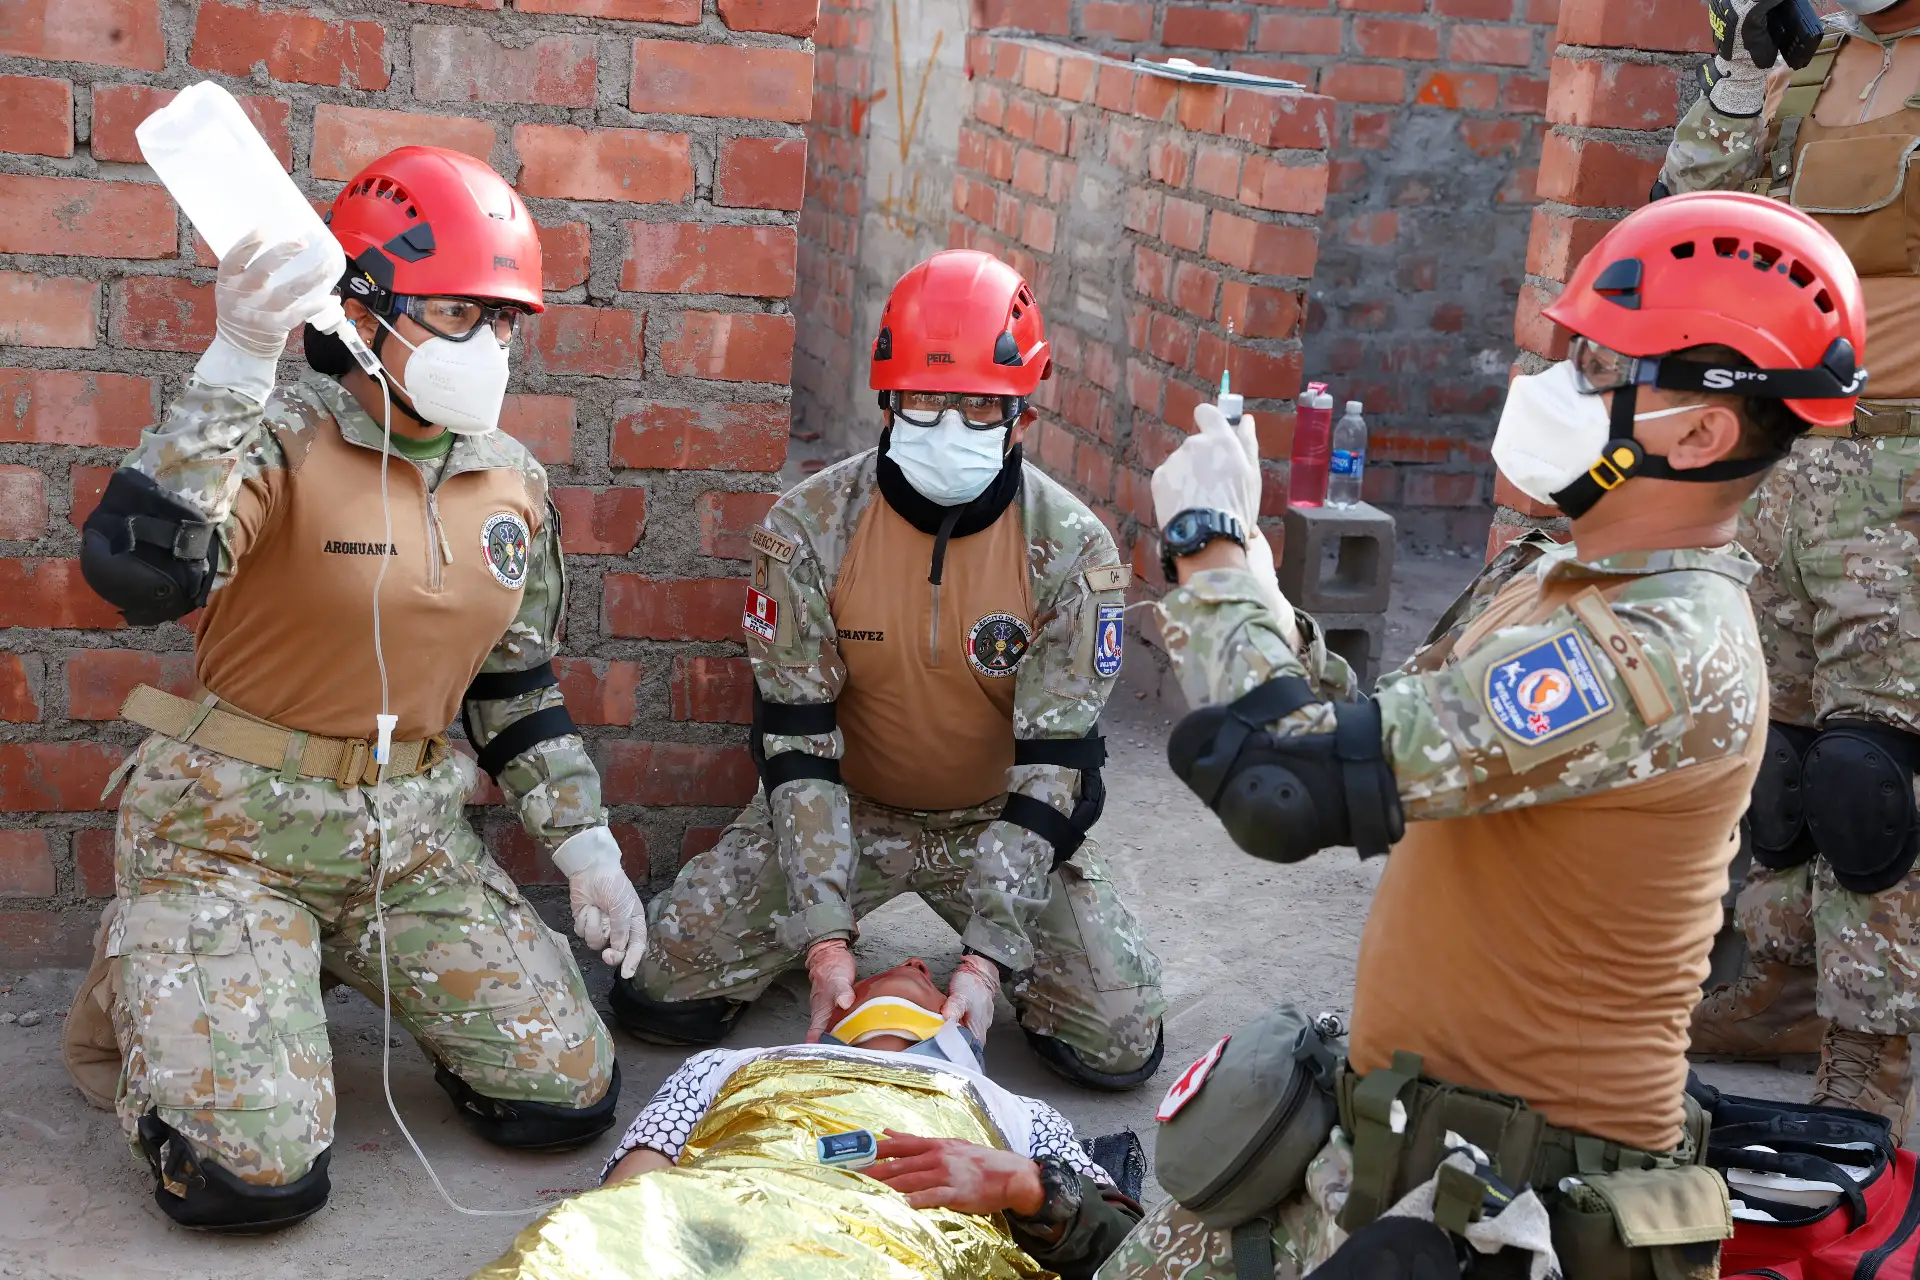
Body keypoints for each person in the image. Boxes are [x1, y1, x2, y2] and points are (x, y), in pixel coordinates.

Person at [1099, 191, 1867, 1277]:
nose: (1555, 386)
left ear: (1701, 429)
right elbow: (1363, 734)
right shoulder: (1558, 567)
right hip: (1401, 1142)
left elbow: (1286, 788)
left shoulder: (1656, 647)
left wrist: (1210, 552)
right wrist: (1262, 598)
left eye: (1600, 368)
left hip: (1513, 1213)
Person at [62, 146, 635, 1232]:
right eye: (461, 313)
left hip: (407, 843)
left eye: (507, 320)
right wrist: (238, 353)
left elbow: (516, 688)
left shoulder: (509, 478)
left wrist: (585, 846)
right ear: (365, 311)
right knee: (254, 1177)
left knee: (564, 1094)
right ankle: (181, 963)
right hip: (227, 833)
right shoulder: (276, 440)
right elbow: (136, 572)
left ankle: (307, 964)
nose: (492, 344)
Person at [610, 249, 1166, 1091]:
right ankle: (821, 929)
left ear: (1023, 410)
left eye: (982, 404)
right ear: (886, 398)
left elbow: (1059, 772)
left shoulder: (1073, 550)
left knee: (1119, 1038)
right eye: (924, 400)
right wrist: (825, 939)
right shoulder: (809, 529)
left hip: (996, 817)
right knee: (659, 987)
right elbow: (794, 741)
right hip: (847, 806)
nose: (951, 427)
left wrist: (983, 960)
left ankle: (1008, 956)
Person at [1655, 0, 1920, 1132]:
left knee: (1872, 777)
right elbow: (1693, 210)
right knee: (1783, 759)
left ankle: (1872, 1049)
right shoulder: (1818, 61)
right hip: (1794, 455)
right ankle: (1781, 982)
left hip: (1906, 469)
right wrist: (1740, 65)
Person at [476, 959, 1144, 1279]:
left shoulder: (1019, 1113)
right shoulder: (729, 1063)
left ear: (964, 1022)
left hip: (890, 1246)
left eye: (925, 971)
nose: (911, 964)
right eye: (895, 963)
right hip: (718, 1221)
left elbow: (1130, 1251)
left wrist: (1023, 1186)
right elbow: (635, 1183)